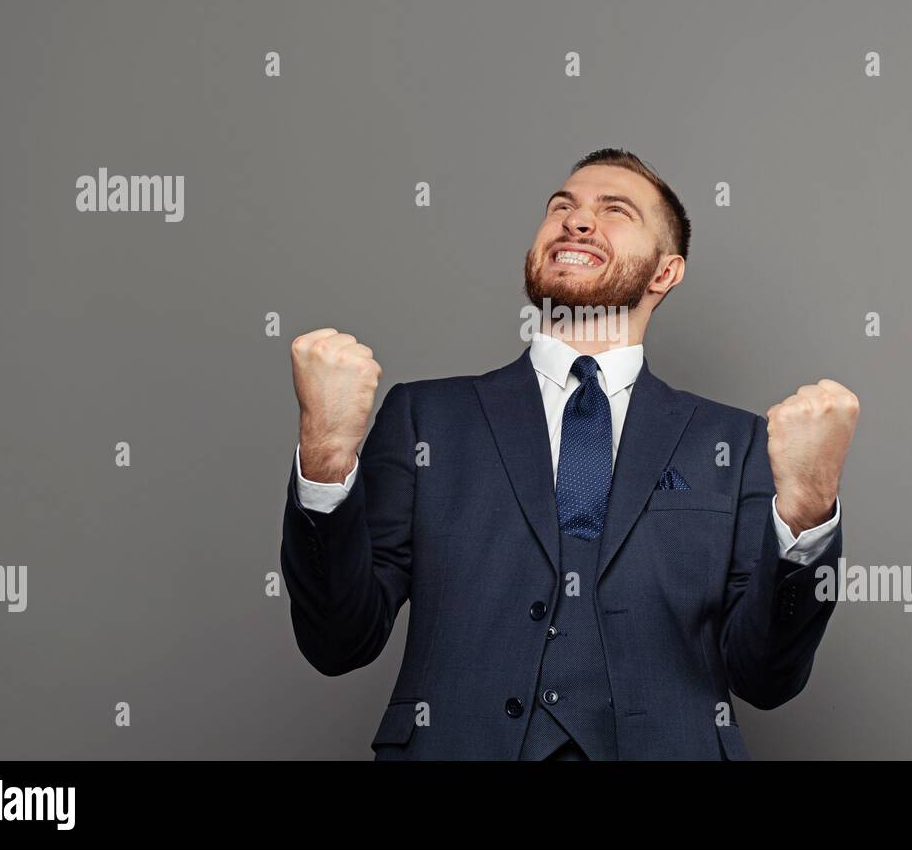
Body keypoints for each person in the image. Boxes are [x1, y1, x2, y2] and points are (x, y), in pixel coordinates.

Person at [280, 147, 860, 760]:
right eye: (562, 206)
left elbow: (766, 678)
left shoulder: (735, 442)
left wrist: (807, 512)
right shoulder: (427, 418)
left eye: (615, 211)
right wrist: (324, 454)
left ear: (665, 272)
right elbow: (338, 642)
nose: (577, 221)